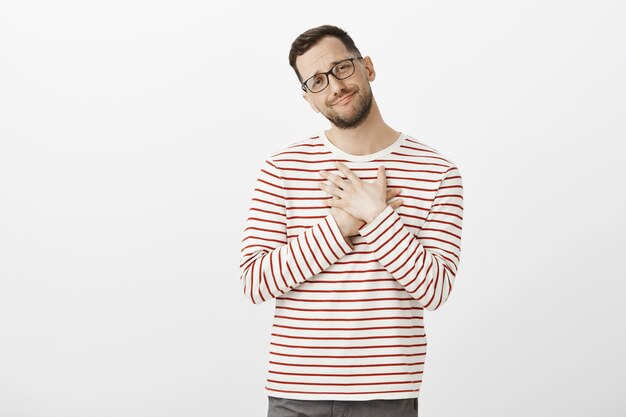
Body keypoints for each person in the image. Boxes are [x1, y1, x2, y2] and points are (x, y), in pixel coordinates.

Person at [239, 24, 464, 417]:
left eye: (342, 68)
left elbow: (435, 290)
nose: (335, 87)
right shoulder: (281, 170)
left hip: (387, 396)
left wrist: (377, 216)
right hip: (296, 393)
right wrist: (338, 227)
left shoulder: (437, 172)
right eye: (318, 81)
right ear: (309, 99)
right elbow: (255, 282)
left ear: (368, 67)